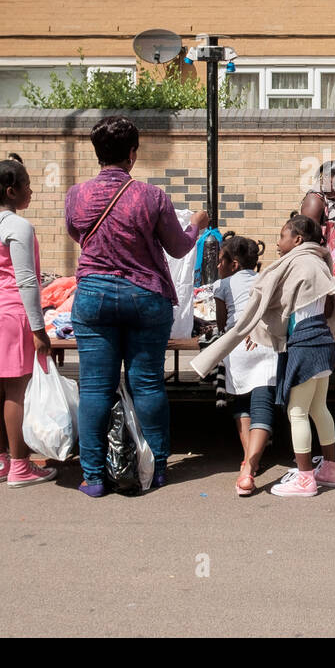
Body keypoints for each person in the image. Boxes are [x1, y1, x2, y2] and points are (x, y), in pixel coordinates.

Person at [65, 116, 209, 498]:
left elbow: (77, 233)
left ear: (98, 154)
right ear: (132, 154)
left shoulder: (76, 195)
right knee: (146, 383)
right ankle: (157, 468)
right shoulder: (151, 196)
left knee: (96, 388)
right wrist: (195, 224)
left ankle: (94, 477)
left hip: (93, 296)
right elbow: (179, 248)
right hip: (145, 296)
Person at [191, 215, 335, 499]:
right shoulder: (321, 262)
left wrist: (256, 330)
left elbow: (270, 305)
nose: (277, 241)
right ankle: (331, 469)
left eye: (283, 235)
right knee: (319, 408)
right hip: (323, 340)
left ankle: (306, 478)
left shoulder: (294, 264)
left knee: (296, 412)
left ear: (297, 239)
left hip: (305, 343)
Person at [0, 155, 56, 488]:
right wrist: (39, 329)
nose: (31, 190)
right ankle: (20, 465)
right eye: (27, 185)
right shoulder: (18, 227)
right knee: (17, 390)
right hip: (12, 313)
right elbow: (27, 281)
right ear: (11, 190)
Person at [212, 234, 278, 497]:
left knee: (241, 404)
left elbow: (222, 323)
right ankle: (249, 469)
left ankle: (249, 461)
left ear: (234, 263)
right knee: (262, 405)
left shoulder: (223, 284)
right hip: (267, 345)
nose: (218, 266)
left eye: (220, 261)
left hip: (239, 347)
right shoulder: (266, 279)